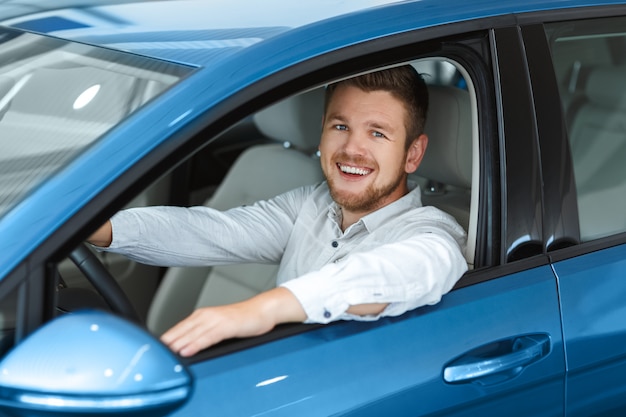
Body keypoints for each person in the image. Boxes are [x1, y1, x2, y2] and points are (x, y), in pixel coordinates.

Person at [88, 65, 468, 357]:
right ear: (322, 130)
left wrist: (259, 310)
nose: (352, 149)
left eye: (377, 133)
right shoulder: (311, 204)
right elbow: (212, 231)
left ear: (413, 153)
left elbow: (393, 273)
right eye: (340, 126)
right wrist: (97, 228)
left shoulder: (432, 234)